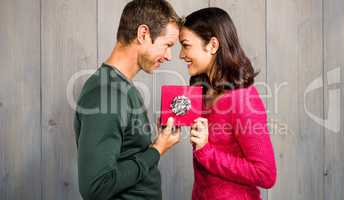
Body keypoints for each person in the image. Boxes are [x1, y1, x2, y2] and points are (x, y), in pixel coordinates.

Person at [74, 1, 181, 199]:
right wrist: (157, 150)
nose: (169, 56)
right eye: (167, 45)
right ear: (143, 34)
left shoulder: (122, 88)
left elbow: (127, 155)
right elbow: (96, 187)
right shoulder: (106, 94)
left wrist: (157, 143)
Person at [179, 7, 277, 199]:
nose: (181, 55)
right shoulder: (203, 92)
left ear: (213, 45)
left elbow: (266, 174)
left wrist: (207, 151)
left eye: (186, 45)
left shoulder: (242, 99)